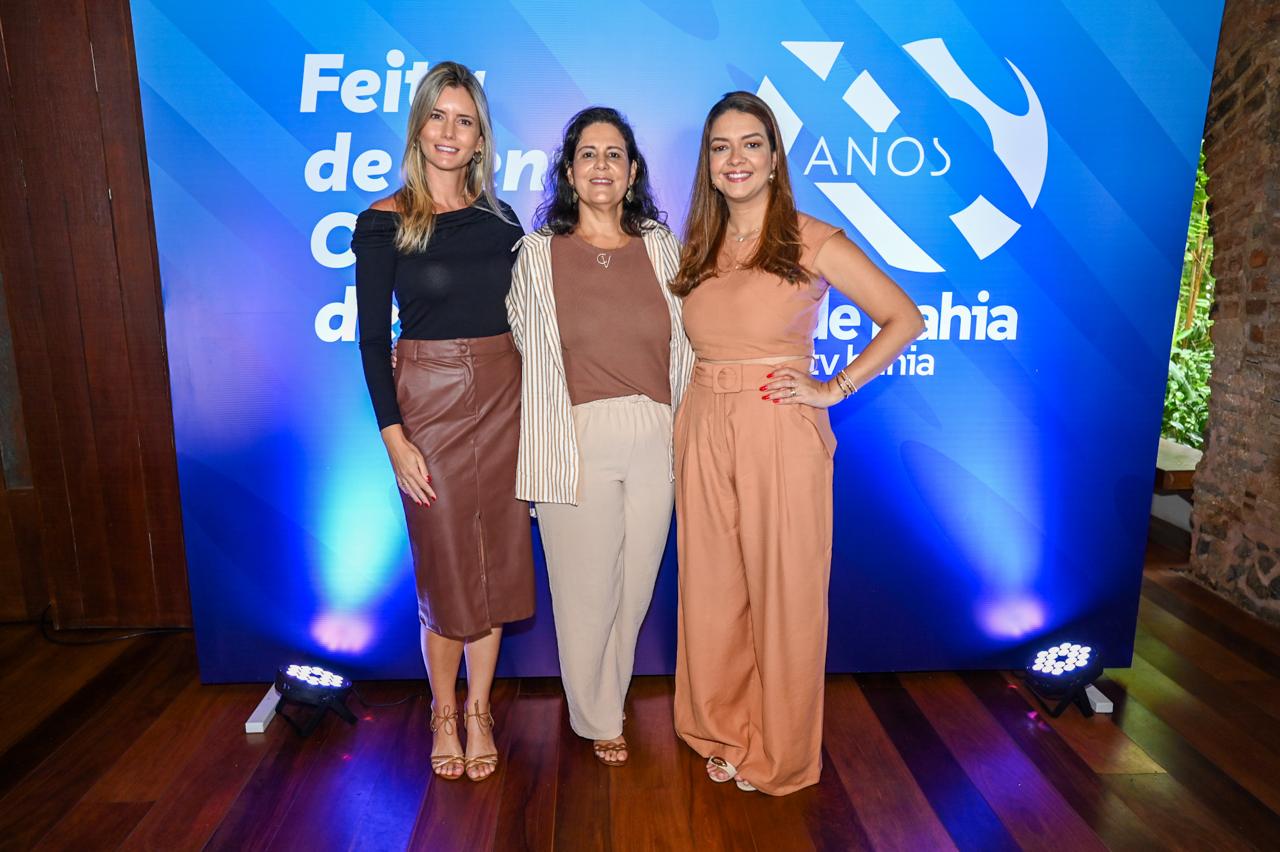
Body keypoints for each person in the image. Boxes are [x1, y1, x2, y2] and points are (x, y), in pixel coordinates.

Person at [670, 91, 925, 795]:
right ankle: (726, 730)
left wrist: (835, 387)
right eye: (721, 147)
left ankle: (778, 755)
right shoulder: (701, 244)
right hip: (703, 419)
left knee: (785, 592)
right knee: (712, 591)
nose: (736, 159)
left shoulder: (813, 239)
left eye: (751, 143)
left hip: (776, 424)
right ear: (708, 162)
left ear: (775, 157)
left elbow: (904, 317)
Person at [350, 61, 532, 782]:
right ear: (418, 126)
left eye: (465, 120)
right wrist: (394, 438)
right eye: (438, 116)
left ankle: (479, 710)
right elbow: (372, 341)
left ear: (481, 137)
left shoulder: (503, 221)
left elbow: (530, 318)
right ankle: (443, 710)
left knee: (496, 564)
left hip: (505, 397)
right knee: (448, 565)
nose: (450, 132)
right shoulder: (383, 221)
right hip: (426, 402)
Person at [506, 107, 694, 767]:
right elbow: (514, 345)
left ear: (633, 170)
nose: (602, 166)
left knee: (634, 589)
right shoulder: (537, 255)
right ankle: (597, 717)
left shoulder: (663, 248)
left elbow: (694, 342)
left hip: (657, 434)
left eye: (615, 154)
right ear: (568, 171)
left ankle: (608, 697)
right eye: (588, 154)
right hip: (575, 438)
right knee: (586, 594)